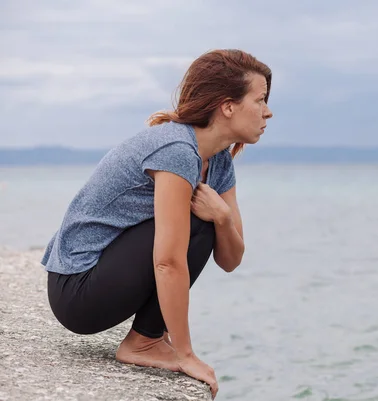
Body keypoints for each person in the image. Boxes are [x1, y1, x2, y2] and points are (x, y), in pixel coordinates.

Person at [40, 49, 273, 399]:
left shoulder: (220, 161)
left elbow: (230, 259)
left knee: (204, 223)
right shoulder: (176, 150)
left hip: (103, 280)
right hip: (76, 288)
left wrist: (223, 218)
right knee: (195, 224)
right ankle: (145, 342)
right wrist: (186, 354)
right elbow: (168, 261)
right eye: (260, 99)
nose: (267, 111)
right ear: (228, 106)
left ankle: (147, 338)